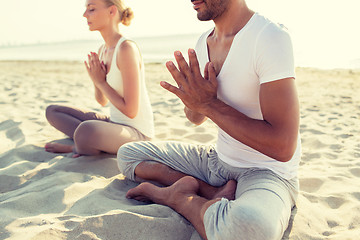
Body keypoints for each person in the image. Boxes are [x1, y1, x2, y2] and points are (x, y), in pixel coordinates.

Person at [117, 0, 301, 239]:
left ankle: (179, 198)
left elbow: (283, 146)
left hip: (266, 172)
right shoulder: (204, 42)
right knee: (129, 156)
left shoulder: (269, 37)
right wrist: (195, 102)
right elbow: (195, 118)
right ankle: (210, 191)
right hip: (217, 161)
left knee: (252, 229)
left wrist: (209, 104)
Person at [45, 0, 154, 157]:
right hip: (114, 124)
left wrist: (101, 82)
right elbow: (102, 101)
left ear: (111, 12)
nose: (85, 15)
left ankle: (75, 147)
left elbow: (131, 110)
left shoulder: (126, 49)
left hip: (137, 133)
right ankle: (88, 141)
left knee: (86, 130)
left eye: (91, 9)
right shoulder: (102, 50)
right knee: (53, 111)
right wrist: (97, 82)